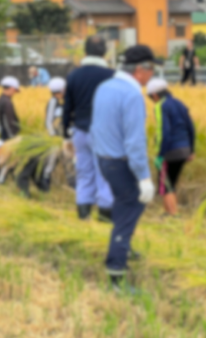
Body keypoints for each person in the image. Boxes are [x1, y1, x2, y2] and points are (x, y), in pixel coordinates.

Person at [91, 45, 158, 291]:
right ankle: (116, 276)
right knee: (128, 211)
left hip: (105, 159)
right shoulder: (131, 96)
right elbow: (134, 141)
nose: (153, 75)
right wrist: (144, 176)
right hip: (121, 163)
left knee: (122, 206)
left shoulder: (105, 87)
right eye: (152, 69)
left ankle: (124, 249)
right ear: (140, 69)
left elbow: (96, 126)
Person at [62, 36, 115, 221]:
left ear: (85, 52)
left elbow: (67, 106)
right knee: (105, 175)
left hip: (80, 131)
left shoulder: (73, 75)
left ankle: (83, 215)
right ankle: (104, 215)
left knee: (84, 173)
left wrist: (65, 133)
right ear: (105, 53)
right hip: (104, 133)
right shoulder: (111, 75)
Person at [146, 78, 195, 216]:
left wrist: (161, 154)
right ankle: (168, 212)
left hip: (171, 150)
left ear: (155, 95)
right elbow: (191, 127)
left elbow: (164, 132)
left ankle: (173, 214)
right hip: (185, 149)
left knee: (165, 184)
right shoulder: (179, 104)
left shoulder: (160, 106)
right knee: (171, 181)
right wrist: (192, 149)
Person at [0, 76, 21, 140]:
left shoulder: (1, 99)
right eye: (15, 91)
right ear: (12, 88)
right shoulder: (6, 102)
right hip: (8, 135)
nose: (14, 93)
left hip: (4, 133)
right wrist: (12, 136)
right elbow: (8, 121)